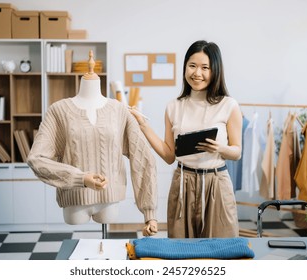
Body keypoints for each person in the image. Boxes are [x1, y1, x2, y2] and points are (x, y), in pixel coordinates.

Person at [27, 52, 158, 236]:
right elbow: (36, 159)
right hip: (74, 206)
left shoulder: (119, 110)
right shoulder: (58, 111)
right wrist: (80, 179)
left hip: (109, 204)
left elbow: (144, 159)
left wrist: (149, 213)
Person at [130, 40, 242, 238]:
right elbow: (169, 156)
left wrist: (219, 148)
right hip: (183, 182)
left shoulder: (229, 105)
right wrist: (143, 125)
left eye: (205, 67)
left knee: (222, 248)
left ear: (215, 70)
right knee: (181, 249)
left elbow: (237, 152)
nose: (197, 73)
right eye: (192, 66)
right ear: (185, 68)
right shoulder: (174, 106)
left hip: (216, 182)